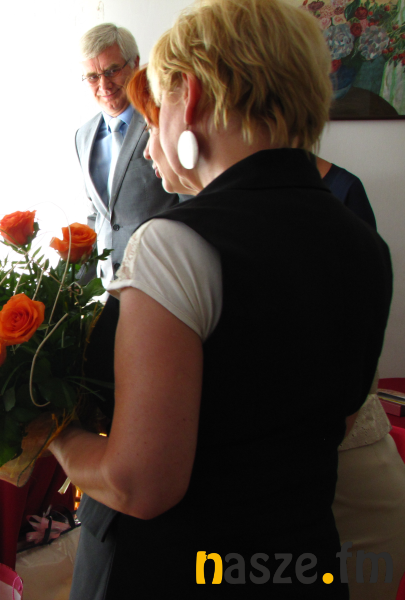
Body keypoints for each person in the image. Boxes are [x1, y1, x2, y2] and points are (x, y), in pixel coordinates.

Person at [49, 1, 393, 598]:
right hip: (299, 565)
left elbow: (138, 484)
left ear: (191, 97)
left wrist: (52, 433)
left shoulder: (174, 244)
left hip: (181, 571)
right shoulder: (365, 245)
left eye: (159, 101)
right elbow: (326, 429)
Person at [132, 62, 405, 600]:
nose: (149, 146)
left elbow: (343, 346)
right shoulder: (195, 222)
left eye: (153, 121)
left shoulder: (338, 202)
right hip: (275, 505)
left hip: (343, 482)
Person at [75, 23, 182, 285]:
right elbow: (99, 215)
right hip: (110, 288)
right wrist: (66, 286)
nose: (104, 84)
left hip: (162, 280)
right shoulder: (83, 136)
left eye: (112, 71)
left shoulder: (163, 120)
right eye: (93, 77)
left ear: (134, 63)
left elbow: (189, 200)